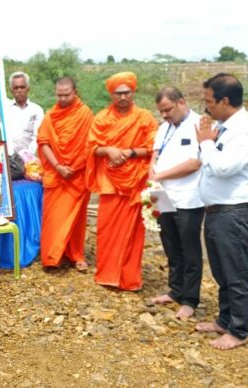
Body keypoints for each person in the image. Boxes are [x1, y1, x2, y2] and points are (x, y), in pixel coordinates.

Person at [193, 73, 248, 350]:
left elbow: (223, 167)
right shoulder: (223, 126)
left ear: (224, 100)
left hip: (234, 212)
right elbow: (207, 162)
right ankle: (225, 319)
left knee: (236, 274)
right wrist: (207, 142)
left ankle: (238, 330)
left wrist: (206, 142)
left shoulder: (246, 130)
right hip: (217, 211)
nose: (206, 106)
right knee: (222, 271)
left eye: (209, 101)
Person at [86, 71, 157, 291]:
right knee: (107, 230)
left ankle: (129, 279)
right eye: (118, 94)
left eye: (127, 93)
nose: (123, 97)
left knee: (134, 233)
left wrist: (129, 153)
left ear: (133, 92)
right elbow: (91, 148)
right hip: (110, 182)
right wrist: (108, 149)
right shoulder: (102, 118)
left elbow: (154, 148)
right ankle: (107, 275)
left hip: (136, 182)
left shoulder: (145, 118)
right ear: (112, 95)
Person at [148, 87, 205, 320]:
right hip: (164, 196)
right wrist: (152, 177)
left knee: (189, 249)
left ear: (182, 102)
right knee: (170, 245)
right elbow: (154, 157)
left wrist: (160, 176)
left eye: (168, 110)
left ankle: (190, 300)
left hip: (189, 198)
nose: (165, 115)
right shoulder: (163, 128)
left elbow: (194, 163)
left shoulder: (200, 125)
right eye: (161, 111)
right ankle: (175, 290)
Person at [36, 76, 93, 272]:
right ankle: (53, 256)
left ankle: (76, 255)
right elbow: (44, 143)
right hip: (57, 173)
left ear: (75, 92)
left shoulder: (85, 114)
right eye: (59, 95)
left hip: (77, 175)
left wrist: (74, 167)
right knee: (54, 217)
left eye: (67, 95)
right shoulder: (51, 115)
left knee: (76, 219)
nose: (63, 99)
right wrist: (58, 166)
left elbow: (89, 145)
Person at [3, 71, 43, 176]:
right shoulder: (4, 108)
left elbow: (37, 136)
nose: (19, 91)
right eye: (16, 88)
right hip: (8, 160)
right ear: (11, 90)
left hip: (30, 161)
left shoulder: (36, 110)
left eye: (22, 87)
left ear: (28, 88)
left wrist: (27, 156)